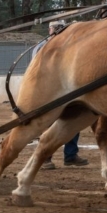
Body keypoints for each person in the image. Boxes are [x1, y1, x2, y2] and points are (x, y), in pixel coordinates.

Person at [32, 20, 88, 170]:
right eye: (55, 28)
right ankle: (45, 158)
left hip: (66, 90)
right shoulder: (42, 47)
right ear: (50, 30)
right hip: (48, 91)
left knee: (73, 121)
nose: (57, 30)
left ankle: (70, 156)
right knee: (49, 124)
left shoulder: (68, 45)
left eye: (60, 28)